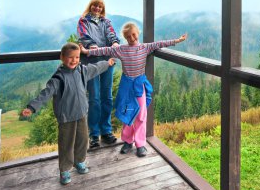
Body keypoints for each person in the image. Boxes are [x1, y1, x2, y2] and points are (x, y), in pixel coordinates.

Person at [80, 22, 187, 157]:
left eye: (134, 34)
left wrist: (177, 40)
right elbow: (104, 50)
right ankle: (128, 141)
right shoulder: (121, 49)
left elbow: (160, 43)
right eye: (128, 36)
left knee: (141, 114)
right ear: (125, 38)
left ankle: (140, 144)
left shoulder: (144, 47)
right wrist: (86, 51)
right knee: (127, 113)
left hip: (139, 85)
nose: (132, 38)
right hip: (126, 87)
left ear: (138, 33)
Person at [21, 42, 115, 185]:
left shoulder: (82, 70)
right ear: (62, 57)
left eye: (77, 57)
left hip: (82, 113)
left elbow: (96, 68)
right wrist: (32, 107)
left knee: (83, 140)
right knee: (66, 144)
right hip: (66, 117)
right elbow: (45, 94)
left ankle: (79, 161)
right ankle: (65, 170)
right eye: (70, 57)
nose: (74, 60)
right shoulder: (58, 78)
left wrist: (107, 63)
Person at [77, 0, 120, 148]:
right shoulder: (83, 21)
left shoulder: (106, 22)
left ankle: (106, 132)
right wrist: (92, 46)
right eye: (95, 5)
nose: (97, 8)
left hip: (108, 61)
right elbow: (84, 36)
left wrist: (115, 42)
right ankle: (94, 134)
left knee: (107, 97)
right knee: (94, 98)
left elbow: (111, 35)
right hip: (91, 63)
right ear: (91, 6)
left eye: (100, 6)